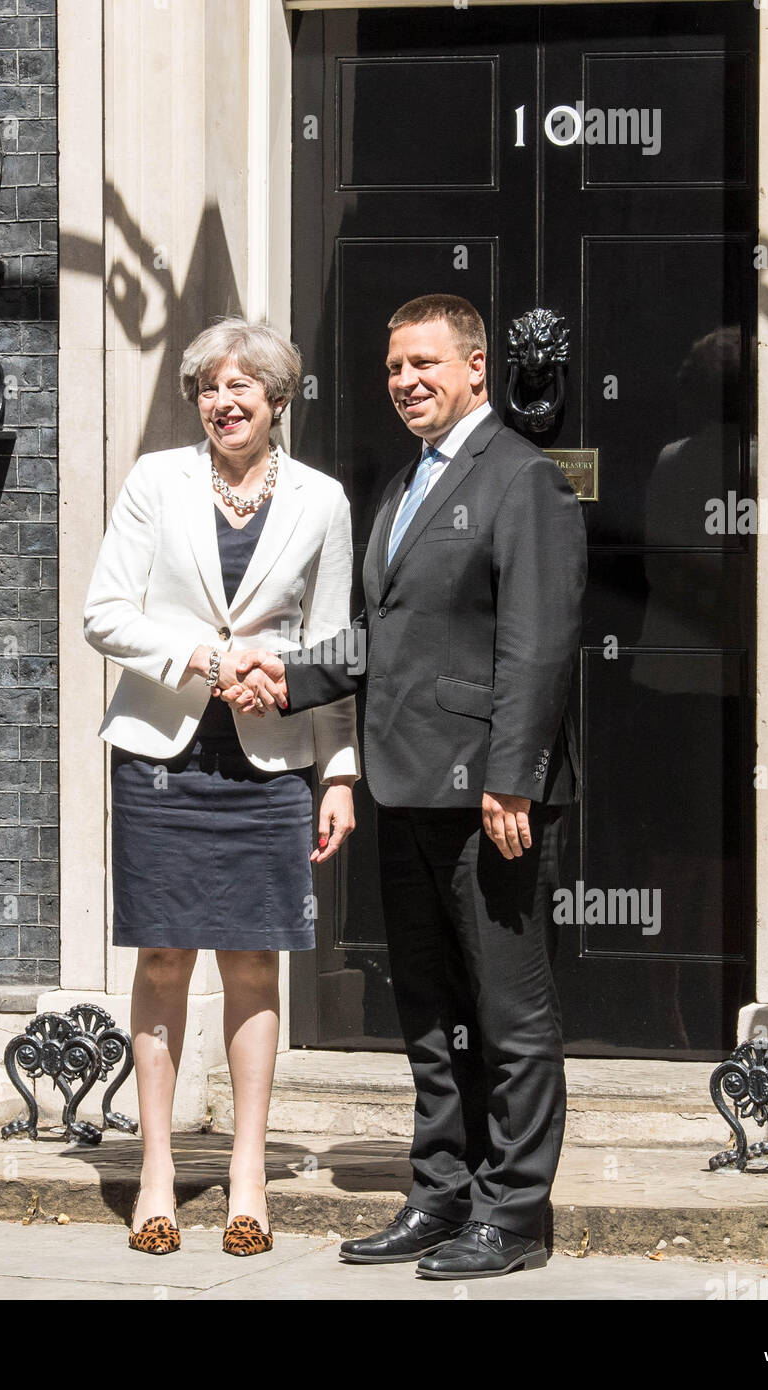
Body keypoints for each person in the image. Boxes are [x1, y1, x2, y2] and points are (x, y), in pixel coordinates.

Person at [223, 294, 586, 1279]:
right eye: (392, 368)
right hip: (407, 783)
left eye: (425, 363)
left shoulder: (523, 481)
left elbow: (540, 646)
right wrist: (288, 675)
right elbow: (388, 637)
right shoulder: (406, 486)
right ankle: (441, 1195)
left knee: (511, 1014)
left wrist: (513, 777)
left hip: (488, 800)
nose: (406, 381)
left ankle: (514, 1213)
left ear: (475, 367)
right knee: (429, 1011)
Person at [82, 318, 359, 1257]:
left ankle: (246, 1172)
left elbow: (332, 649)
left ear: (278, 401)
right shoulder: (155, 481)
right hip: (162, 754)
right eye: (208, 387)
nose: (223, 401)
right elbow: (104, 612)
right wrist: (205, 656)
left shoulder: (321, 500)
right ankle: (157, 1171)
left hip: (270, 761)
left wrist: (340, 771)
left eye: (243, 387)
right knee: (162, 960)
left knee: (252, 961)